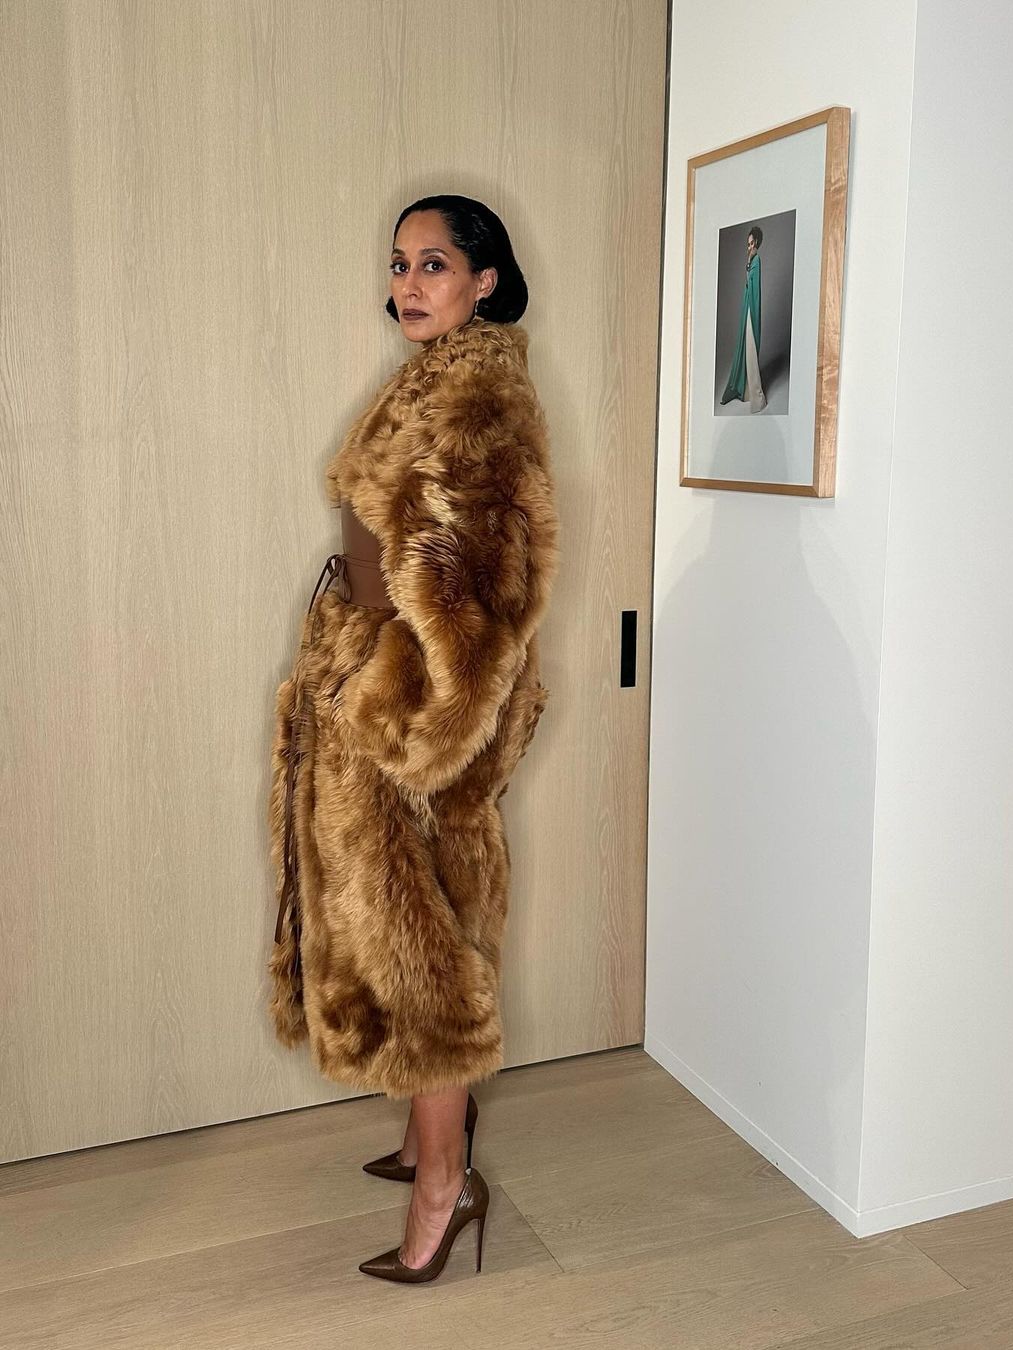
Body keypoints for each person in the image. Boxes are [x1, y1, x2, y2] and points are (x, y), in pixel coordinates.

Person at [267, 194, 559, 1283]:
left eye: (433, 264)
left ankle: (447, 1187)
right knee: (418, 922)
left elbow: (480, 596)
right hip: (372, 686)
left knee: (420, 953)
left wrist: (405, 727)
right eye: (399, 264)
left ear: (485, 280)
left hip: (412, 723)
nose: (408, 284)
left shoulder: (479, 400)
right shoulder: (432, 376)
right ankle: (428, 1136)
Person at [720, 224, 767, 412]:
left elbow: (753, 286)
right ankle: (747, 392)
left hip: (751, 310)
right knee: (746, 348)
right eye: (747, 244)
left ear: (757, 243)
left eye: (751, 243)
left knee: (751, 349)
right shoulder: (750, 260)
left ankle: (757, 398)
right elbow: (747, 283)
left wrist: (749, 262)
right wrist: (748, 262)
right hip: (746, 308)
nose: (749, 247)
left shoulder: (757, 260)